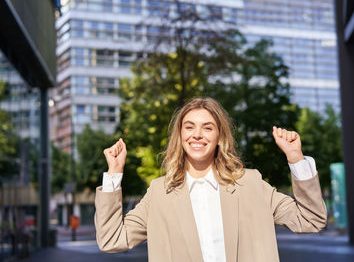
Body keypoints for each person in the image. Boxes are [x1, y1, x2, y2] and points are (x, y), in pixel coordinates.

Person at [95, 97, 327, 262]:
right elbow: (112, 240)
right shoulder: (159, 192)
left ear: (219, 137)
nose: (197, 134)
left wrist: (296, 158)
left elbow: (311, 220)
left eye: (207, 127)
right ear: (181, 136)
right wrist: (114, 173)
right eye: (189, 127)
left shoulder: (251, 184)